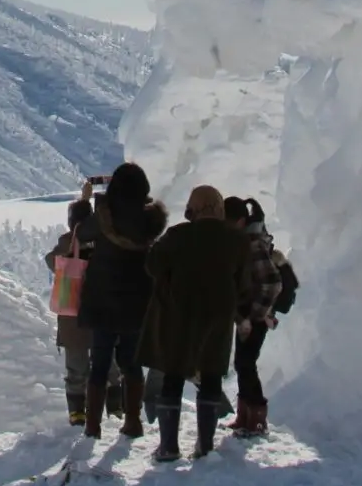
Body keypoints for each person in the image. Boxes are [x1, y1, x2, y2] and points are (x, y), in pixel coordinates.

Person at [137, 185, 251, 461]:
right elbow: (243, 281)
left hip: (179, 313)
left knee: (173, 375)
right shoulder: (236, 240)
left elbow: (152, 265)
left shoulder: (178, 235)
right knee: (211, 374)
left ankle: (169, 447)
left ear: (193, 209)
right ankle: (205, 446)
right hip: (220, 314)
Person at [75, 162, 168, 440]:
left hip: (102, 298)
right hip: (137, 299)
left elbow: (81, 233)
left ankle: (92, 426)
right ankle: (133, 421)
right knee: (131, 362)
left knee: (100, 363)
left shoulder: (104, 214)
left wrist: (84, 203)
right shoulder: (150, 219)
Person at [43, 188, 123, 425]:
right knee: (109, 365)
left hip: (72, 314)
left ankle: (77, 413)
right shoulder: (107, 240)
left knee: (76, 367)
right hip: (104, 312)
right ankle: (116, 409)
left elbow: (51, 261)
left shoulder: (68, 242)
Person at [223, 195, 283, 437]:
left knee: (246, 363)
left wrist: (256, 315)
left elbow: (272, 283)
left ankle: (256, 420)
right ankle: (245, 418)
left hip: (257, 314)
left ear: (238, 221)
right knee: (242, 362)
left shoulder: (252, 244)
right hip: (248, 313)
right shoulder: (243, 240)